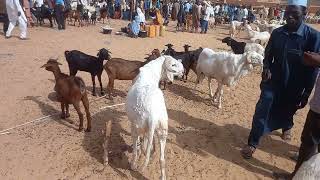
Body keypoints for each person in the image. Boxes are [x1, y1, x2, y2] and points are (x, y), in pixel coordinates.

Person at [241, 0, 320, 159]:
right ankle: (253, 142)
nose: (289, 17)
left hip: (296, 85)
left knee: (289, 109)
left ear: (304, 14)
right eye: (287, 13)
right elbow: (268, 56)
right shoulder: (277, 33)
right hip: (273, 81)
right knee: (262, 109)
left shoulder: (313, 37)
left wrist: (306, 94)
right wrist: (266, 69)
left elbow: (313, 69)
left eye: (295, 14)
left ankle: (287, 127)